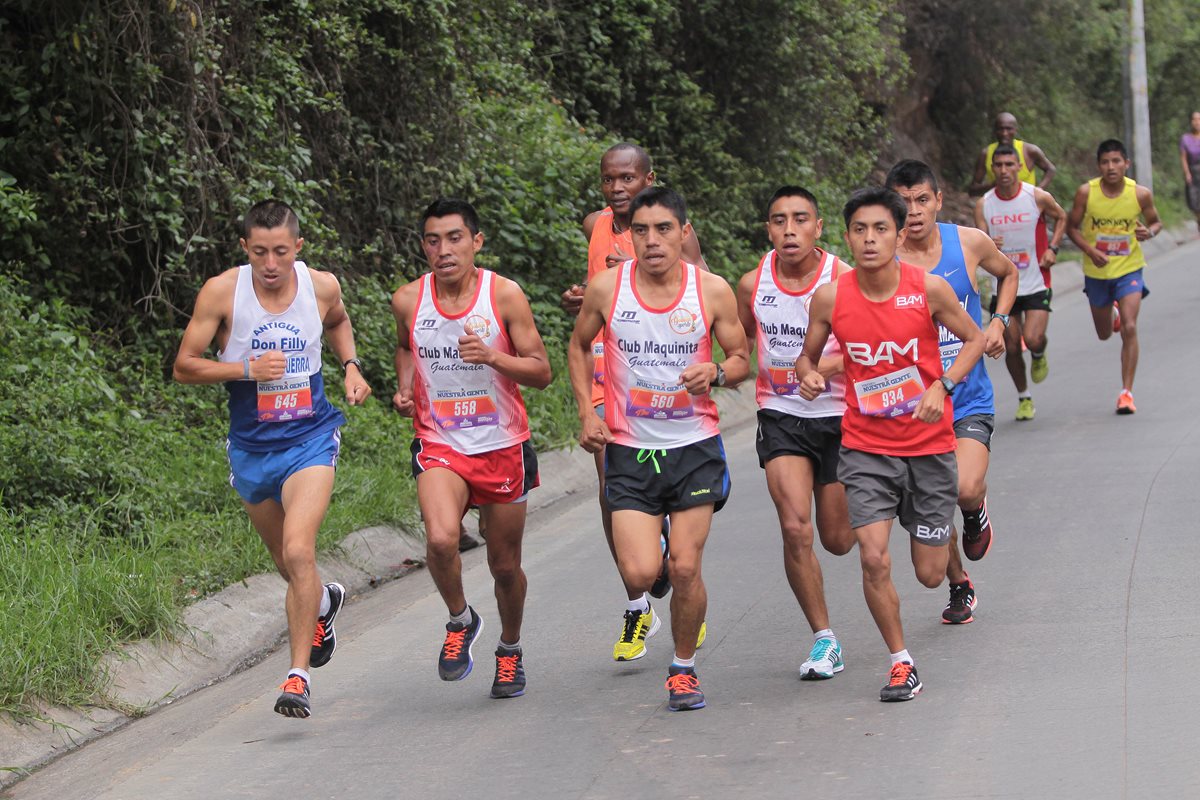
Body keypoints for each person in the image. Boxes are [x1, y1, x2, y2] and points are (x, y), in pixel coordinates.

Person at [173, 199, 372, 719]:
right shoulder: (222, 292)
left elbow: (339, 320)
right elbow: (184, 367)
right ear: (244, 248)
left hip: (310, 439)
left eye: (281, 251)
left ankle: (298, 677)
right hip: (251, 450)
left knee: (299, 550)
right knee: (288, 565)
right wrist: (244, 369)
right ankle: (325, 604)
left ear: (298, 248)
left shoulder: (320, 285)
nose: (270, 263)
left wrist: (350, 366)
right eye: (259, 251)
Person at [796, 187, 985, 701]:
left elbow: (975, 339)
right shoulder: (832, 296)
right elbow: (806, 358)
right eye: (860, 229)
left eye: (881, 229)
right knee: (874, 559)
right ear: (848, 236)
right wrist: (809, 375)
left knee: (926, 575)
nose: (870, 238)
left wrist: (941, 386)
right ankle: (901, 662)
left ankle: (949, 543)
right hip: (865, 448)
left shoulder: (928, 290)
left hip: (927, 446)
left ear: (900, 235)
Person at [568, 187, 749, 711]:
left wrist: (716, 372)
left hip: (694, 447)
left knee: (687, 567)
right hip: (629, 448)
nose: (652, 241)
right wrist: (587, 412)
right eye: (641, 230)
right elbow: (580, 346)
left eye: (663, 229)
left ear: (684, 233)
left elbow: (741, 357)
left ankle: (683, 669)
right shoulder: (607, 289)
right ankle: (658, 573)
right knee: (641, 573)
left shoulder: (710, 291)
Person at [391, 198, 552, 699]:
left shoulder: (503, 296)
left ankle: (509, 650)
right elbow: (405, 346)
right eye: (433, 240)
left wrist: (494, 357)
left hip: (502, 444)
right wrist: (404, 386)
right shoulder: (408, 299)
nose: (444, 250)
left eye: (455, 238)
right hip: (440, 440)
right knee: (441, 540)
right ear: (424, 246)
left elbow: (541, 371)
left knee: (504, 566)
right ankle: (460, 620)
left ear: (476, 242)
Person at [561, 143, 708, 662]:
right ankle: (638, 598)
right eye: (609, 180)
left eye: (628, 178)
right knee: (609, 486)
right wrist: (586, 297)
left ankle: (675, 572)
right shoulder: (594, 224)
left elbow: (699, 280)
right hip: (610, 371)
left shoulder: (667, 230)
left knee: (661, 488)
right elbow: (597, 305)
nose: (618, 188)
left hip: (668, 375)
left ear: (649, 177)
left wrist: (646, 271)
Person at [887, 160, 1016, 626]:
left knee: (961, 487)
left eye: (922, 199)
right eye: (903, 202)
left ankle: (975, 507)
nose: (914, 211)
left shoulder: (968, 242)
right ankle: (959, 582)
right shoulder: (884, 259)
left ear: (939, 200)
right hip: (909, 409)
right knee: (927, 527)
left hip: (966, 398)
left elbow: (1010, 274)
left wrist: (998, 320)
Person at [735, 186, 855, 680]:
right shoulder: (751, 284)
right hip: (781, 415)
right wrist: (723, 369)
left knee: (839, 539)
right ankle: (825, 639)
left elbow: (872, 342)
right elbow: (741, 342)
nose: (790, 230)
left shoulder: (843, 279)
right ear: (768, 229)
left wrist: (822, 370)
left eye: (800, 219)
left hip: (841, 417)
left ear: (818, 227)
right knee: (794, 528)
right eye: (779, 220)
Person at [1066, 139, 1163, 415]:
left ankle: (1126, 393)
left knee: (1131, 327)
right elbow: (1071, 228)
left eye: (1116, 161)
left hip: (1129, 268)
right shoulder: (1086, 193)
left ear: (1126, 164)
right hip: (1096, 272)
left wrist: (1150, 232)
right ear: (1099, 166)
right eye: (1106, 162)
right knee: (1104, 333)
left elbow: (1156, 221)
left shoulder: (1140, 194)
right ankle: (1114, 315)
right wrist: (1090, 249)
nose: (1111, 167)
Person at [974, 144, 1068, 420]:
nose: (1004, 170)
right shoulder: (985, 204)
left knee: (1033, 338)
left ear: (1020, 167)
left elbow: (1061, 216)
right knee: (1012, 346)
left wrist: (1053, 248)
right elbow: (979, 243)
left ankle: (1038, 354)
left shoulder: (1036, 196)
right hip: (1003, 286)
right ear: (993, 168)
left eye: (1009, 165)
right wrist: (989, 243)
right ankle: (1024, 397)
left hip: (1036, 280)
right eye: (998, 165)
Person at [969, 112, 1059, 292]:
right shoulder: (986, 154)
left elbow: (1050, 169)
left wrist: (1038, 191)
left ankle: (1037, 290)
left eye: (1008, 129)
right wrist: (994, 184)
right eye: (1000, 129)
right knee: (1003, 253)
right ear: (994, 131)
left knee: (1032, 254)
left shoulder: (1029, 150)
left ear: (1015, 130)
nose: (1004, 133)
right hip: (998, 212)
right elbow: (972, 188)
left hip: (1028, 211)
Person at [1179, 111, 1200, 235]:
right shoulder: (1185, 139)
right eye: (1194, 119)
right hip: (1192, 172)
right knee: (1193, 202)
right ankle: (1198, 219)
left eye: (1199, 119)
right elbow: (1183, 157)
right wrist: (1186, 173)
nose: (1196, 122)